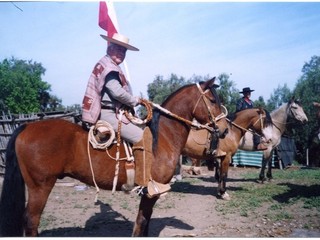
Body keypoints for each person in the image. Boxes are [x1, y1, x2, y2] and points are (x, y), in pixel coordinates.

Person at [81, 33, 170, 197]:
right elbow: (116, 92)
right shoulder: (110, 68)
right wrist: (134, 100)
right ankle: (144, 184)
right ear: (110, 47)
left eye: (123, 51)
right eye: (118, 49)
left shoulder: (107, 64)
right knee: (144, 137)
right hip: (108, 113)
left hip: (115, 112)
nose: (120, 54)